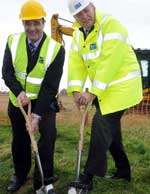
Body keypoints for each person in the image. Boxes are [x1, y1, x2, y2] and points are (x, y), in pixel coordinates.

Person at [67, 0, 143, 191]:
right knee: (112, 133)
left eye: (86, 11)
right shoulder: (77, 33)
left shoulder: (112, 25)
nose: (84, 16)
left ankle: (88, 177)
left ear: (92, 6)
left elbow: (110, 62)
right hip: (105, 91)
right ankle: (124, 171)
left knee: (101, 123)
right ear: (74, 17)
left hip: (122, 88)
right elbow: (76, 63)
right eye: (79, 15)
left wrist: (92, 92)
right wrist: (76, 91)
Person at [2, 0, 65, 192]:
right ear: (22, 24)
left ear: (43, 23)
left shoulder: (56, 49)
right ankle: (20, 175)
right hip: (18, 102)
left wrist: (36, 116)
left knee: (47, 139)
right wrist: (19, 92)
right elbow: (7, 72)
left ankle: (43, 180)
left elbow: (50, 86)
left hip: (43, 103)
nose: (32, 28)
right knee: (19, 140)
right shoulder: (12, 41)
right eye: (27, 23)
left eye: (36, 23)